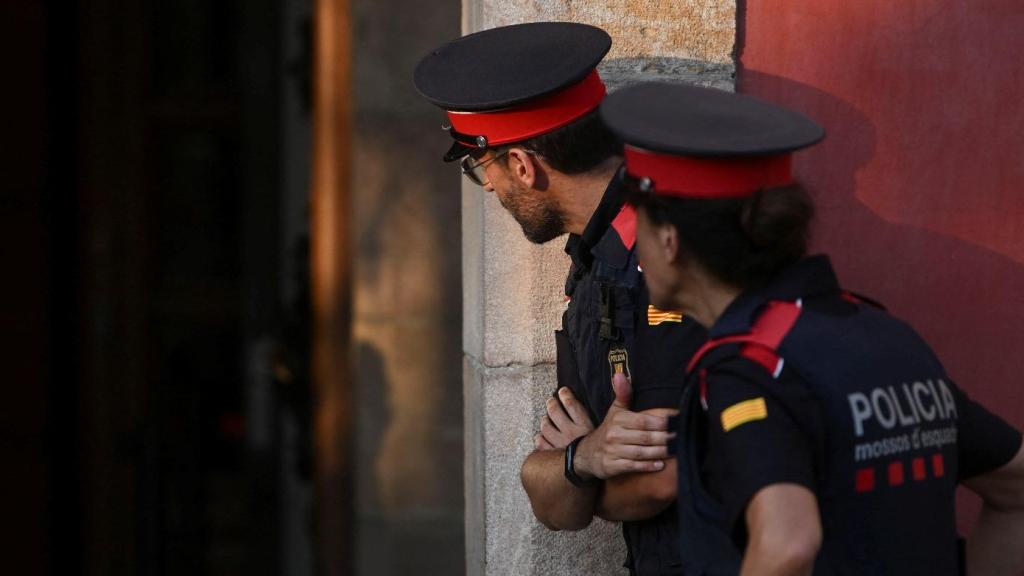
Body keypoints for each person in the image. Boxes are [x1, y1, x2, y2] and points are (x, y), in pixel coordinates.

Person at [601, 81, 1024, 575]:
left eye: (642, 225)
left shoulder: (747, 369)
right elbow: (1015, 485)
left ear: (669, 239)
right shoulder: (888, 336)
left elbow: (787, 544)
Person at [414, 23, 706, 575]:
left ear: (523, 166)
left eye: (484, 170)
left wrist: (580, 469)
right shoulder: (596, 258)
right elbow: (554, 505)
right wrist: (581, 460)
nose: (492, 191)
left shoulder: (666, 260)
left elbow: (663, 479)